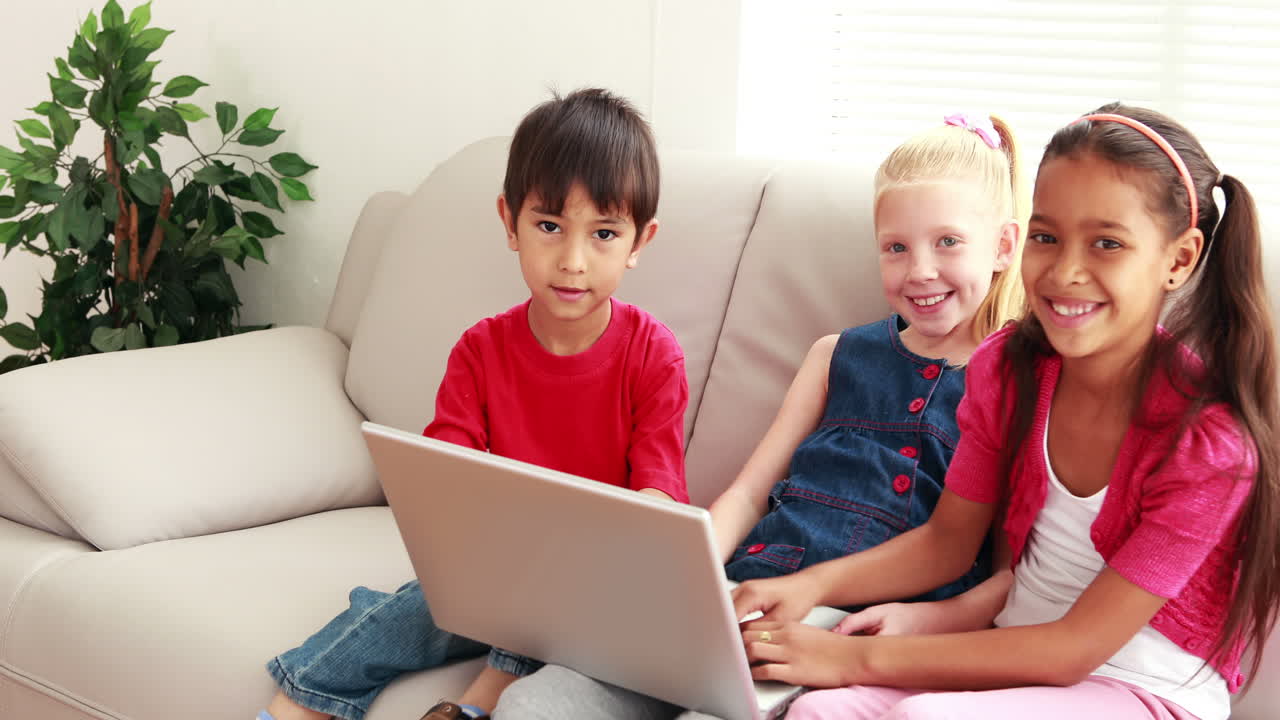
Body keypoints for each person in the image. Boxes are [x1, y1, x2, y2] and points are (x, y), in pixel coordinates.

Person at [733, 104, 1280, 720]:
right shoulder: (1010, 371)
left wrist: (849, 662)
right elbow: (946, 544)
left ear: (1178, 260)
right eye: (1047, 237)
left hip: (1144, 688)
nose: (1066, 271)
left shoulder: (1209, 446)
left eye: (1107, 243)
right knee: (815, 712)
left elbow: (1071, 652)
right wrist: (806, 588)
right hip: (1014, 659)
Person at [491, 111, 1028, 719]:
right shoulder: (834, 356)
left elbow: (1011, 573)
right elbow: (748, 495)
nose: (920, 270)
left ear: (1004, 246)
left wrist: (929, 619)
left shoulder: (1021, 383)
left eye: (948, 242)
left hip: (847, 633)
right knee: (537, 702)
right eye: (896, 248)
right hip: (748, 591)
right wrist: (682, 574)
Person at [257, 87, 690, 720]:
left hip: (591, 592)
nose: (572, 261)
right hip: (493, 577)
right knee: (393, 614)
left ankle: (480, 700)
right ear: (509, 222)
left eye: (603, 234)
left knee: (547, 595)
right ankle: (293, 705)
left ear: (639, 241)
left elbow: (659, 500)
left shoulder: (653, 354)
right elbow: (445, 476)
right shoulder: (481, 349)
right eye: (549, 226)